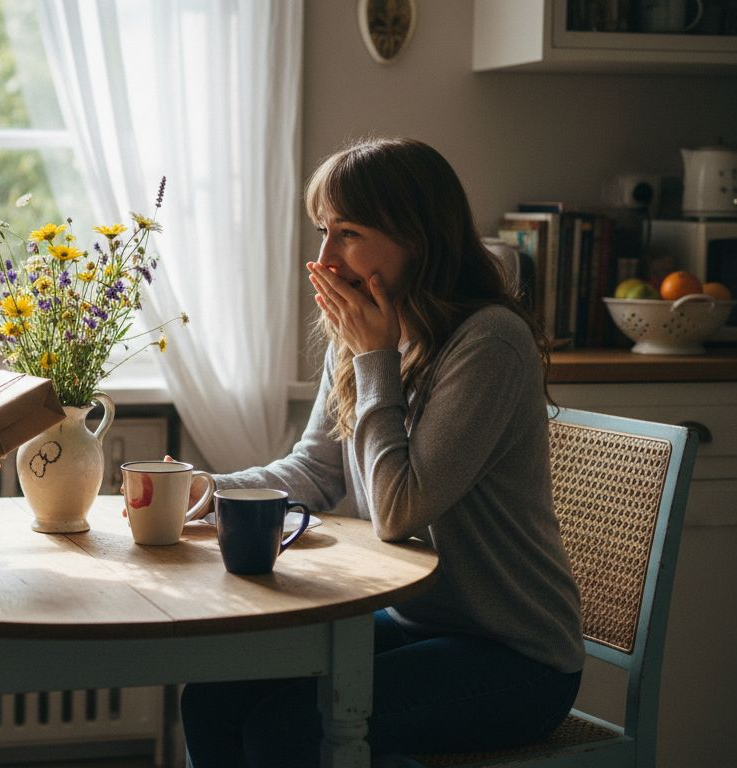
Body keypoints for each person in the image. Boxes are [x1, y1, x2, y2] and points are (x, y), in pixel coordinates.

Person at [178, 137, 584, 766]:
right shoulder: (365, 329)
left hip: (516, 656)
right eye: (322, 231)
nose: (324, 257)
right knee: (215, 694)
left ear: (415, 236)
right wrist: (210, 486)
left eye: (348, 233)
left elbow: (399, 512)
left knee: (289, 732)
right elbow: (313, 469)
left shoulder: (490, 344)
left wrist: (373, 358)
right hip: (420, 623)